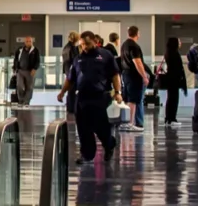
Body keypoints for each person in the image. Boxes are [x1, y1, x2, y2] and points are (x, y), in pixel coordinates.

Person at [58, 31, 123, 164]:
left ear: (95, 41)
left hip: (100, 97)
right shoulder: (78, 59)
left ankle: (109, 144)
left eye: (87, 44)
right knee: (83, 128)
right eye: (82, 45)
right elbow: (70, 79)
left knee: (101, 127)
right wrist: (62, 92)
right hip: (82, 98)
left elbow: (115, 75)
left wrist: (118, 92)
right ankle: (87, 155)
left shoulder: (105, 55)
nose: (84, 47)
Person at [119, 25, 148, 131]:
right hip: (134, 75)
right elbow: (137, 62)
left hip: (125, 74)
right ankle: (130, 123)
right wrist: (144, 76)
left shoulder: (124, 45)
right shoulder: (134, 46)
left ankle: (126, 122)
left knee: (127, 99)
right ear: (137, 33)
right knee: (133, 100)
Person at [160, 37, 189, 128]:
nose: (180, 43)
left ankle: (169, 119)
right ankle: (171, 119)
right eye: (178, 41)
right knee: (173, 99)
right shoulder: (174, 54)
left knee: (170, 99)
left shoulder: (168, 52)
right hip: (174, 80)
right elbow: (177, 68)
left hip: (170, 80)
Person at [13, 36, 40, 107]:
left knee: (29, 87)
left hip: (30, 71)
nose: (28, 43)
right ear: (25, 42)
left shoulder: (35, 50)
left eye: (30, 41)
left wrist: (34, 69)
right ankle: (21, 100)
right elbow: (16, 59)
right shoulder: (20, 50)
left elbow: (37, 61)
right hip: (20, 71)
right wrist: (15, 68)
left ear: (32, 42)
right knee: (19, 85)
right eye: (27, 41)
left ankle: (26, 101)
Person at [61, 31, 80, 113]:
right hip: (72, 70)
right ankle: (72, 107)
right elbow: (76, 60)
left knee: (70, 89)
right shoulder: (73, 48)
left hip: (67, 69)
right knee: (73, 89)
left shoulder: (65, 47)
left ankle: (69, 106)